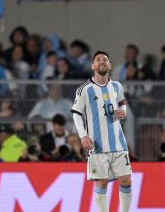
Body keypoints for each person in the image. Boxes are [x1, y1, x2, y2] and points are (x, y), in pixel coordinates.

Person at [71, 51, 132, 212]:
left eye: (105, 59)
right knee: (101, 183)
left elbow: (122, 101)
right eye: (98, 60)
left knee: (126, 180)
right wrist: (83, 135)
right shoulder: (84, 89)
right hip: (97, 146)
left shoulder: (116, 86)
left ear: (110, 65)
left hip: (119, 143)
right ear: (93, 66)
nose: (102, 61)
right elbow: (76, 113)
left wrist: (123, 110)